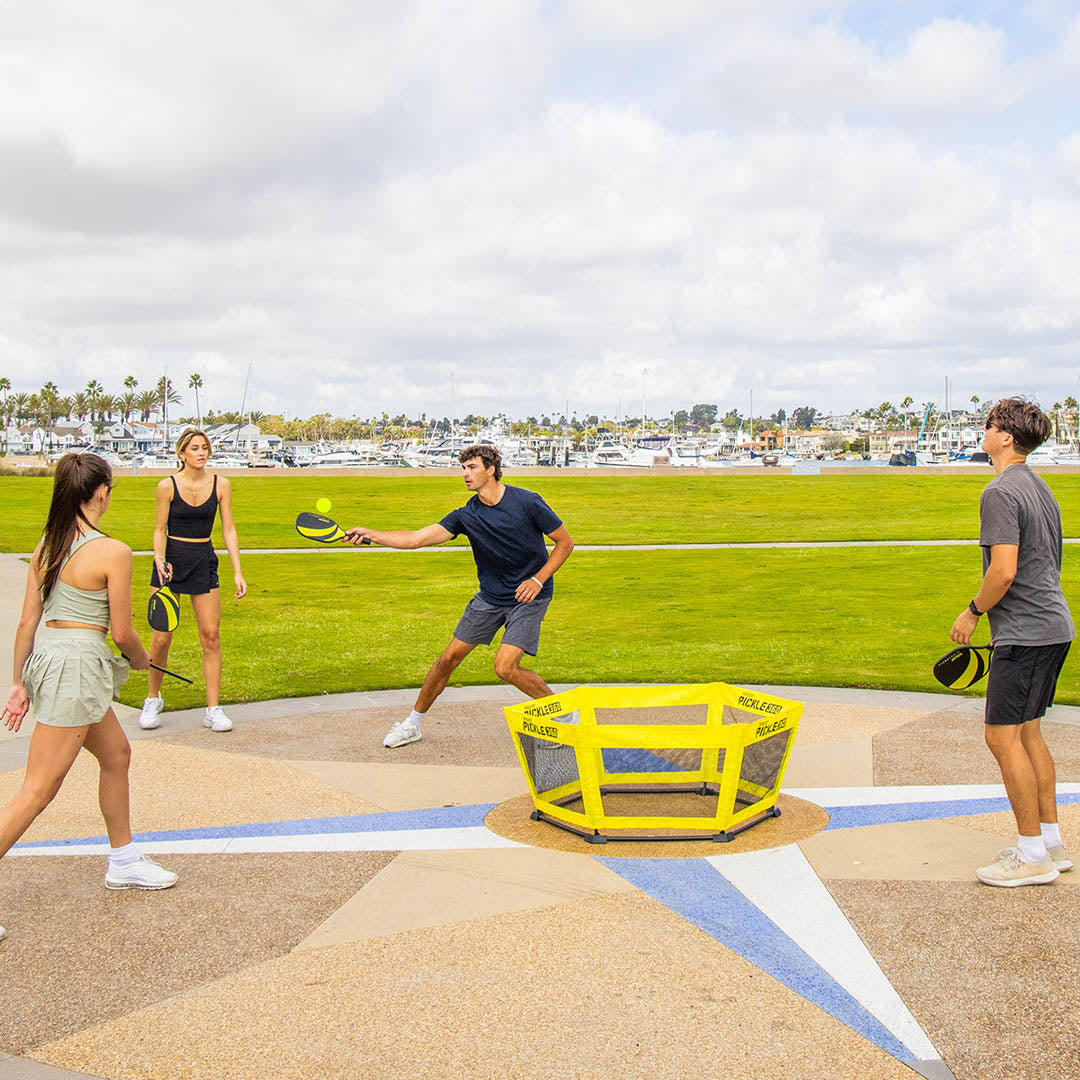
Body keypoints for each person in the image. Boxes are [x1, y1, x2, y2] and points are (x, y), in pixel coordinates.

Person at [1, 453, 177, 941]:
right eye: (112, 487)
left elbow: (25, 625)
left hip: (55, 661)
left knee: (117, 754)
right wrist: (143, 660)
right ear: (100, 492)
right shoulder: (113, 552)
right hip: (77, 668)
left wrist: (18, 685)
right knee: (37, 791)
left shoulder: (48, 543)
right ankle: (122, 859)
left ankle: (122, 860)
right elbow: (121, 633)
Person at [345, 444, 574, 747]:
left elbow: (565, 543)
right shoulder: (467, 515)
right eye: (463, 468)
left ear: (490, 470)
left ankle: (564, 717)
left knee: (505, 667)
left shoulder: (527, 502)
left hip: (530, 595)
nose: (465, 474)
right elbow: (416, 539)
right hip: (491, 597)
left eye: (472, 467)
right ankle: (413, 724)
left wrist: (538, 579)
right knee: (447, 660)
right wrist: (372, 534)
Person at [950, 398, 1075, 887]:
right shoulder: (1041, 488)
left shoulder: (1000, 491)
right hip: (1053, 627)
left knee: (1001, 736)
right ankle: (1050, 843)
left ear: (1005, 438)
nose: (983, 430)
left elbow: (1003, 570)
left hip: (1024, 633)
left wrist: (973, 612)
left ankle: (1031, 857)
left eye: (989, 424)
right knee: (1029, 734)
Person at [139, 429, 247, 733]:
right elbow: (159, 529)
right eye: (195, 448)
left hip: (203, 560)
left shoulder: (221, 485)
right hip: (170, 562)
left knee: (211, 636)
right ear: (182, 453)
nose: (201, 453)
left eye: (205, 448)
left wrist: (238, 571)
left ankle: (213, 710)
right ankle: (152, 698)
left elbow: (229, 530)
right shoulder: (167, 486)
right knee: (161, 637)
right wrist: (159, 559)